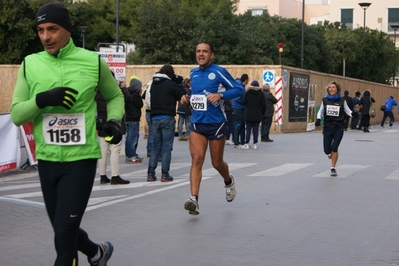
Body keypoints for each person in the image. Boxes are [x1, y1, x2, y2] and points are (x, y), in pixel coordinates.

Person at [10, 2, 122, 265]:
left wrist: (115, 120)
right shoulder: (30, 64)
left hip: (80, 160)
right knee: (63, 229)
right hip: (47, 160)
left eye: (53, 29)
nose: (46, 37)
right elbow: (17, 114)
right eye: (40, 30)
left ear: (68, 30)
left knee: (63, 235)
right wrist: (41, 100)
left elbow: (115, 95)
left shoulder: (92, 61)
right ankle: (97, 252)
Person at [181, 42, 242, 215]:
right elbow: (197, 95)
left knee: (216, 163)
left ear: (211, 55)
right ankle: (194, 199)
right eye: (198, 51)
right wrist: (187, 98)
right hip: (198, 123)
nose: (201, 54)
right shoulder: (193, 73)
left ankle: (228, 181)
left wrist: (221, 95)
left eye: (204, 52)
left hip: (216, 123)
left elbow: (239, 89)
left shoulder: (218, 71)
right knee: (197, 159)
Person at [147, 64, 185, 182]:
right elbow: (182, 97)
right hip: (167, 118)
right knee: (166, 147)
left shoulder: (153, 84)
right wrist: (178, 82)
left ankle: (150, 174)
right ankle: (165, 174)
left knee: (155, 147)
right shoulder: (171, 84)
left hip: (154, 118)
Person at [96, 76, 131, 185]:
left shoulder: (96, 91)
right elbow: (127, 100)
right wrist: (123, 88)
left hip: (101, 120)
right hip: (113, 120)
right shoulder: (114, 91)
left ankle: (102, 175)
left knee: (103, 149)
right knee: (115, 148)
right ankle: (115, 176)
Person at [315, 81, 352, 177]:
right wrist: (318, 119)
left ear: (337, 89)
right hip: (327, 127)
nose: (331, 89)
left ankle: (333, 168)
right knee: (327, 150)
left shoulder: (342, 101)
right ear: (328, 89)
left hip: (338, 127)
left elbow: (348, 111)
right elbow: (320, 111)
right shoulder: (325, 100)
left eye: (333, 87)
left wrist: (354, 114)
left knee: (334, 148)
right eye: (330, 87)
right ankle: (330, 153)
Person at [241, 80, 266, 149]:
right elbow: (264, 105)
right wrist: (262, 113)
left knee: (248, 129)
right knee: (256, 129)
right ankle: (255, 144)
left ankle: (246, 143)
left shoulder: (248, 93)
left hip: (248, 113)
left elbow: (243, 102)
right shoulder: (261, 93)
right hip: (257, 114)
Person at [125, 76, 144, 164]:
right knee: (133, 138)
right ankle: (131, 155)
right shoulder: (135, 95)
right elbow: (140, 105)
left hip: (128, 117)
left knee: (129, 137)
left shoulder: (127, 93)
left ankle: (131, 154)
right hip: (133, 118)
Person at [232, 74, 248, 148]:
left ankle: (241, 141)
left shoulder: (238, 86)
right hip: (239, 107)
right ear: (246, 80)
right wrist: (244, 102)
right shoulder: (240, 87)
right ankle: (236, 141)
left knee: (241, 124)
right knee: (238, 124)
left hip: (239, 107)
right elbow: (237, 98)